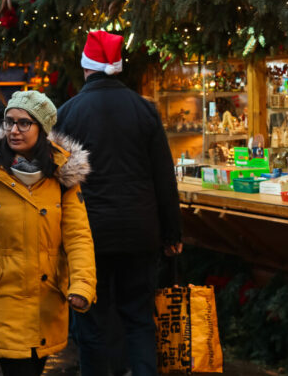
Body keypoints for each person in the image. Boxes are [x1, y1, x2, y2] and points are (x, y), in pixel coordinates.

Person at [0, 91, 96, 376]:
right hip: (2, 297)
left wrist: (82, 286)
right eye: (9, 121)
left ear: (42, 128)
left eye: (24, 123)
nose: (13, 129)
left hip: (46, 301)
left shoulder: (62, 175)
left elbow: (78, 236)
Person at [54, 30, 182, 376]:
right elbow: (163, 177)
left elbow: (60, 180)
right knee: (138, 318)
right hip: (140, 232)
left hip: (88, 233)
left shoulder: (67, 114)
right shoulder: (145, 110)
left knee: (92, 322)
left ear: (86, 67)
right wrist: (172, 233)